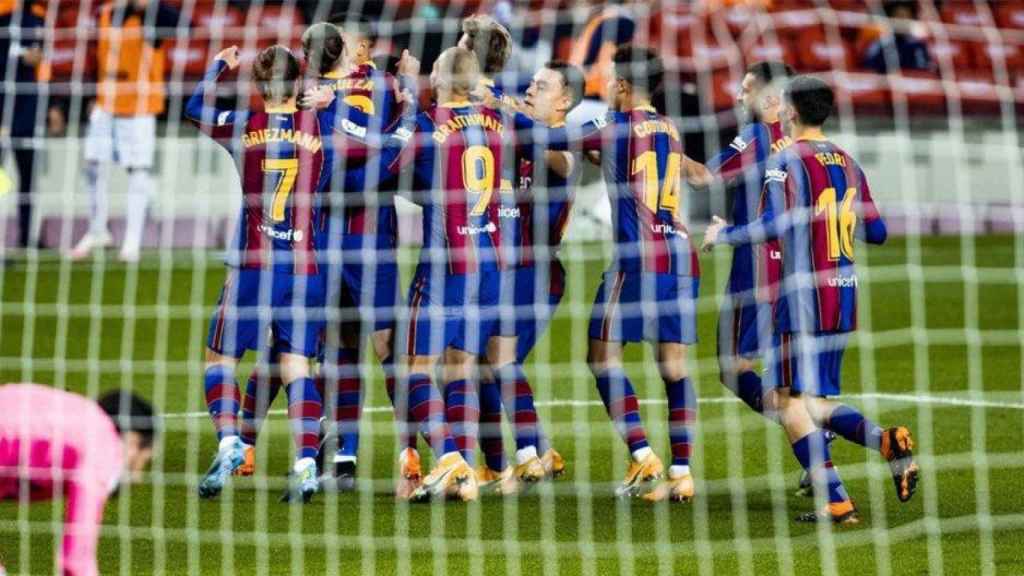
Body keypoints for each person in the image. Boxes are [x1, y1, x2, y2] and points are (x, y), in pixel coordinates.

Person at [703, 75, 919, 522]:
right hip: (843, 294)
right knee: (808, 399)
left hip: (802, 297)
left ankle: (838, 497)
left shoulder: (787, 161)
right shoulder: (848, 161)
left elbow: (771, 226)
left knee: (787, 403)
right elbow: (877, 232)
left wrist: (725, 234)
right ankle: (884, 441)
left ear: (792, 112)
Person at [549, 46, 709, 502]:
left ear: (621, 85)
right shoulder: (670, 129)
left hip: (638, 260)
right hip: (681, 255)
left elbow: (559, 141)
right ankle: (682, 472)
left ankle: (643, 455)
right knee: (674, 368)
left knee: (601, 358)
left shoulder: (614, 127)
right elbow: (689, 175)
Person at [187, 45, 338, 504]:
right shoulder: (321, 128)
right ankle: (307, 463)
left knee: (220, 360)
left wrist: (218, 64)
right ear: (297, 85)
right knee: (296, 367)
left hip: (254, 265)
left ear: (257, 86)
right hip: (304, 267)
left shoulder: (242, 126)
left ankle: (232, 441)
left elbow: (195, 106)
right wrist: (327, 98)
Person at [474, 62, 584, 493]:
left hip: (537, 271)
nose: (531, 90)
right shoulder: (518, 135)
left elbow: (557, 162)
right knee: (485, 364)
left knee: (500, 360)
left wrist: (507, 109)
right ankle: (526, 454)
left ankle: (524, 460)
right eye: (531, 84)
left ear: (565, 101)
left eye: (542, 86)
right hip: (502, 267)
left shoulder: (566, 142)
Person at [0, 384, 156, 576]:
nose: (138, 477)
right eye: (143, 461)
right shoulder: (103, 448)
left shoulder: (83, 418)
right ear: (133, 441)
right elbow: (76, 561)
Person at [68, 0, 179, 262]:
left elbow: (179, 24)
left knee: (138, 170)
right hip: (106, 102)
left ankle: (132, 242)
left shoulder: (152, 15)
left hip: (140, 105)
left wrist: (148, 6)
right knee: (92, 165)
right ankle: (97, 230)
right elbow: (99, 56)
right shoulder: (105, 13)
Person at [0, 0, 44, 249]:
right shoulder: (4, 18)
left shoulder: (38, 19)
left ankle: (28, 237)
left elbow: (41, 62)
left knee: (28, 177)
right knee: (1, 178)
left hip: (27, 110)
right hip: (2, 108)